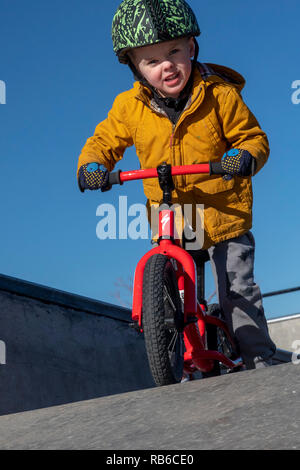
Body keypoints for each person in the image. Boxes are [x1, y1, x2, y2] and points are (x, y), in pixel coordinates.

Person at [77, 0, 276, 369]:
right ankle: (184, 358)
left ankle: (258, 359)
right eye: (151, 61)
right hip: (174, 215)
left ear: (192, 48)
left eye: (173, 51)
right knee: (177, 289)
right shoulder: (128, 108)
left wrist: (243, 156)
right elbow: (105, 140)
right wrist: (92, 165)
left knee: (236, 288)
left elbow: (253, 138)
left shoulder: (219, 95)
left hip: (223, 213)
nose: (166, 65)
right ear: (136, 67)